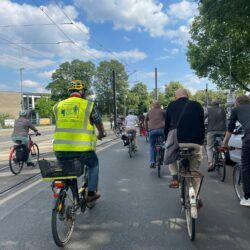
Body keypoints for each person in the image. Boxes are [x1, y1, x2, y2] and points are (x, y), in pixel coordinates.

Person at [53, 80, 106, 202]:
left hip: (60, 149)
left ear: (70, 92)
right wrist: (102, 133)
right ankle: (91, 193)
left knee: (67, 171)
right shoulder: (88, 105)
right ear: (82, 92)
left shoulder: (57, 106)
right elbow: (97, 121)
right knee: (94, 165)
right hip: (82, 149)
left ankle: (67, 197)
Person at [165, 88, 205, 192]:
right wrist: (201, 141)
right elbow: (202, 125)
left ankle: (174, 176)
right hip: (195, 142)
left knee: (170, 153)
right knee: (194, 171)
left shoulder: (171, 105)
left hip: (178, 141)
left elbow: (167, 126)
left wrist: (167, 140)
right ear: (188, 95)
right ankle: (196, 197)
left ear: (175, 96)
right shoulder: (197, 105)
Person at [222, 95, 250, 206]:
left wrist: (224, 143)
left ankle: (248, 198)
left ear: (237, 103)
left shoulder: (236, 110)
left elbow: (230, 129)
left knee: (247, 166)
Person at [205, 100, 226, 171]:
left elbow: (203, 118)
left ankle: (210, 163)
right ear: (219, 104)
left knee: (209, 147)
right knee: (222, 144)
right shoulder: (223, 110)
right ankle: (222, 154)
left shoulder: (208, 110)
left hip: (211, 131)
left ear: (212, 104)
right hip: (222, 131)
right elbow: (225, 120)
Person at [145, 101, 165, 168]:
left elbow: (145, 120)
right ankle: (163, 156)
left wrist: (146, 129)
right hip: (162, 130)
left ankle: (152, 162)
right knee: (164, 143)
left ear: (153, 105)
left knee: (152, 146)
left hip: (152, 130)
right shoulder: (163, 111)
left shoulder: (149, 112)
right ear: (159, 105)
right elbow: (168, 120)